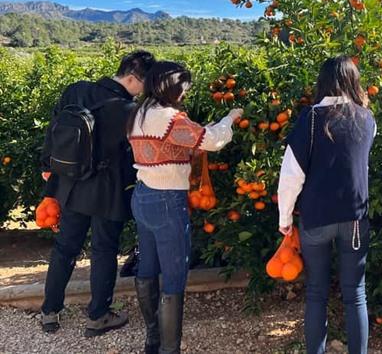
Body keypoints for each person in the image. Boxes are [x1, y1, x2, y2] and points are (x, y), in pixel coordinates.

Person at [39, 50, 156, 335]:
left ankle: (50, 311)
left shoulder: (77, 90)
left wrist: (47, 165)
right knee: (103, 250)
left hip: (71, 184)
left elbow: (54, 129)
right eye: (145, 84)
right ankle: (98, 315)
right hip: (107, 190)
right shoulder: (129, 111)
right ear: (132, 78)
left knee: (65, 247)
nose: (145, 91)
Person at [128, 61, 241, 354]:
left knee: (148, 267)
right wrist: (230, 118)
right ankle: (169, 349)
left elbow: (170, 146)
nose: (184, 95)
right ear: (171, 87)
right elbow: (211, 140)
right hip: (167, 200)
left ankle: (153, 341)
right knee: (175, 275)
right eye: (183, 89)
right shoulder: (169, 118)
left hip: (142, 195)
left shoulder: (138, 113)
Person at [277, 56, 376, 354]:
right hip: (355, 218)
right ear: (353, 81)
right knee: (355, 294)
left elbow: (291, 176)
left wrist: (285, 218)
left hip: (316, 217)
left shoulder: (309, 120)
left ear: (322, 82)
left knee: (317, 293)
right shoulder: (366, 119)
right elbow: (362, 167)